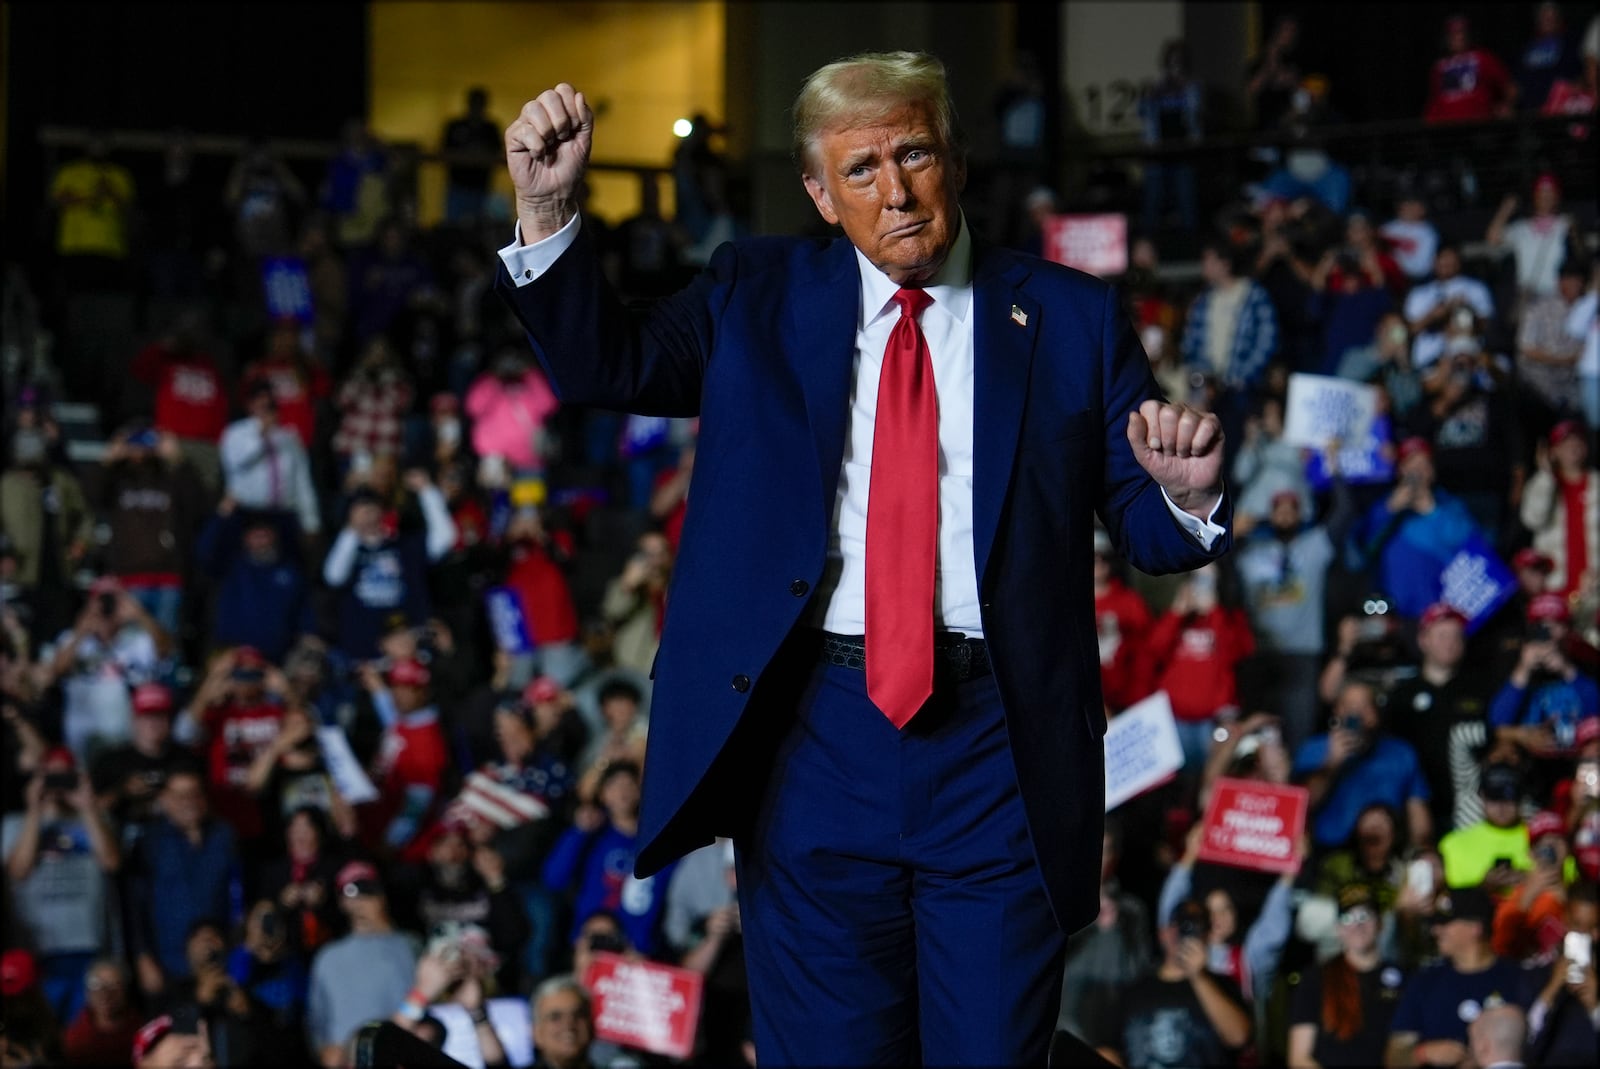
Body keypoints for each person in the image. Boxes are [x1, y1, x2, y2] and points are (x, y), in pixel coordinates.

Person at [498, 53, 1229, 1065]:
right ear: (818, 193)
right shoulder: (755, 292)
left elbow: (1146, 529)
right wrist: (545, 208)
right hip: (811, 746)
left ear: (956, 159)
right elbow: (600, 364)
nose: (894, 190)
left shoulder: (1068, 317)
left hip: (996, 753)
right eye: (860, 170)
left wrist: (1187, 494)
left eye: (913, 153)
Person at [2, 746, 122, 1022]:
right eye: (50, 777)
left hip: (90, 945)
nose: (56, 785)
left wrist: (87, 806)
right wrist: (35, 810)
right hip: (39, 950)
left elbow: (111, 862)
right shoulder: (13, 824)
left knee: (85, 1032)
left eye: (63, 777)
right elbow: (18, 870)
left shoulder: (95, 820)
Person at [1385, 886, 1528, 1068]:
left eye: (1445, 923)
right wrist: (1425, 1053)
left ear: (1475, 927)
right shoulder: (1425, 982)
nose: (1436, 930)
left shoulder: (1516, 979)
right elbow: (1394, 1056)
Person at [1103, 897, 1252, 1068]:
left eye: (1194, 926)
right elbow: (1108, 1049)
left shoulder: (1223, 985)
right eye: (1179, 924)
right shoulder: (1134, 991)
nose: (1183, 933)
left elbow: (1239, 1037)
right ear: (1163, 932)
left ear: (1207, 935)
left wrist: (1199, 976)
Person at [1293, 678, 1433, 851]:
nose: (1356, 713)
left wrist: (1421, 853)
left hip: (1384, 854)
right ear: (1336, 710)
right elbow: (1299, 810)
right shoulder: (1313, 749)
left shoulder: (1401, 753)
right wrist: (1331, 765)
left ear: (1377, 712)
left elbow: (1418, 815)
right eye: (1349, 706)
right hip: (1327, 854)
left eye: (1365, 706)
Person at [306, 861, 419, 1066]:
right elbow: (316, 1021)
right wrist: (324, 1051)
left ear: (381, 896)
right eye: (351, 891)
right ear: (341, 901)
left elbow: (425, 1007)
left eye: (368, 890)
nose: (360, 899)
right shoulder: (328, 957)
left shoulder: (409, 946)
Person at [1288, 883, 1407, 1068]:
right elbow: (1299, 1059)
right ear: (1338, 928)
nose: (1357, 925)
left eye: (1364, 916)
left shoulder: (1404, 979)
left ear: (1380, 923)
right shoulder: (1316, 978)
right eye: (1347, 918)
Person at [220, 380, 322, 539]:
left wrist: (311, 520)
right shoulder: (236, 433)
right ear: (250, 406)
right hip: (249, 514)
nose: (266, 412)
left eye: (271, 406)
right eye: (262, 407)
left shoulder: (289, 437)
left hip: (284, 513)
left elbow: (303, 481)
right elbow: (237, 462)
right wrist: (261, 437)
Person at [1519, 419, 1597, 604]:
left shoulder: (1596, 483)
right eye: (1565, 443)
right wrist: (1546, 475)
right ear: (1553, 451)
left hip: (1594, 587)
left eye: (1577, 441)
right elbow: (1532, 520)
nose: (1573, 447)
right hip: (1555, 585)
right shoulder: (1542, 484)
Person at [1423, 14, 1517, 123]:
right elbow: (1434, 100)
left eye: (1462, 32)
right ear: (1446, 38)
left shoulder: (1483, 58)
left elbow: (1511, 88)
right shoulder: (1439, 67)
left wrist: (1506, 106)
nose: (1459, 37)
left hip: (1477, 126)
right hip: (1445, 129)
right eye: (1454, 33)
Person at [442, 87, 503, 225]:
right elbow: (444, 151)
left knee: (480, 225)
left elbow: (498, 154)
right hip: (458, 186)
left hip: (481, 187)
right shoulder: (455, 126)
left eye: (479, 103)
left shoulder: (490, 129)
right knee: (453, 227)